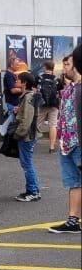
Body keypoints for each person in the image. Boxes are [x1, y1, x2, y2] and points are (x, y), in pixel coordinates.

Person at [49, 49, 81, 235]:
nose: (64, 69)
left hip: (78, 143)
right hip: (67, 144)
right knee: (74, 183)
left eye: (67, 64)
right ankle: (73, 221)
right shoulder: (69, 89)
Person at [13, 71, 42, 202]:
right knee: (27, 163)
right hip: (30, 134)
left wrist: (18, 134)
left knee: (27, 164)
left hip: (27, 136)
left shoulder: (28, 97)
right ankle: (34, 190)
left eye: (18, 80)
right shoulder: (28, 96)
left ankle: (33, 192)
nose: (16, 81)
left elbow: (27, 120)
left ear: (24, 83)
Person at [36, 61, 60, 152]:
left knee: (37, 124)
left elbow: (34, 89)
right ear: (53, 68)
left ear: (45, 67)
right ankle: (52, 147)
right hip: (54, 105)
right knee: (53, 125)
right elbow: (60, 91)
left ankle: (32, 145)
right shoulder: (57, 79)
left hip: (42, 104)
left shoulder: (39, 78)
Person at [0, 57, 24, 134]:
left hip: (15, 103)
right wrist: (23, 89)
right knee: (12, 125)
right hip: (12, 103)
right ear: (11, 65)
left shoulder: (13, 75)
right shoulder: (8, 75)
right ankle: (9, 141)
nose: (18, 66)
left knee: (13, 123)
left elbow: (17, 86)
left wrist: (20, 86)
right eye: (17, 64)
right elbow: (13, 90)